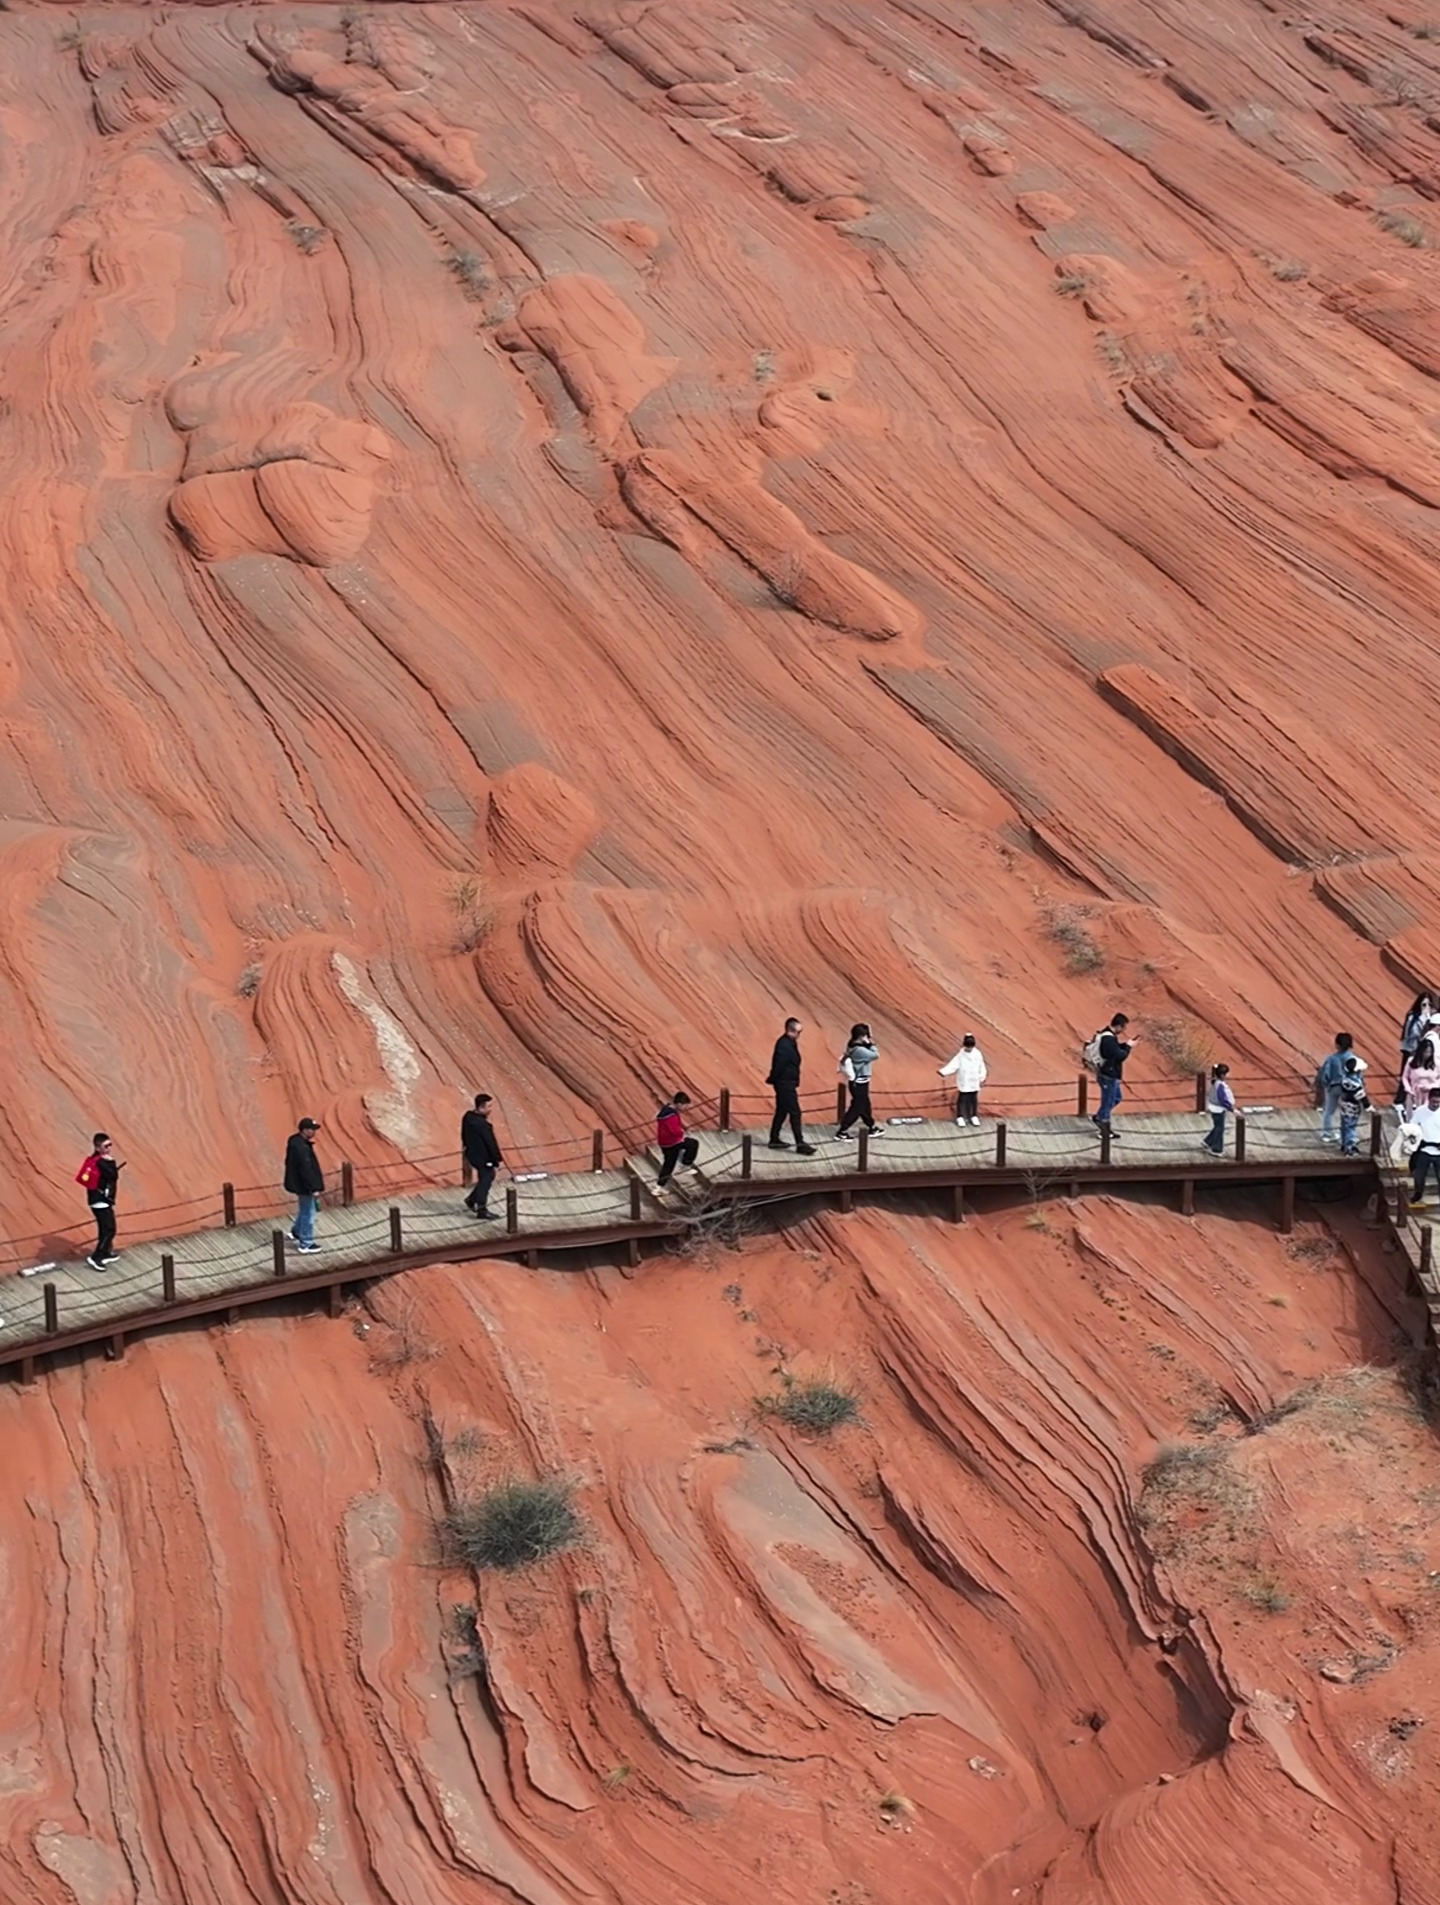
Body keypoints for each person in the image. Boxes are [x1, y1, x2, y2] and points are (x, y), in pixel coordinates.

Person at [767, 1018, 815, 1155]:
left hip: (787, 1082)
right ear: (790, 1030)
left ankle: (774, 1138)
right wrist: (773, 1079)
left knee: (782, 1111)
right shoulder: (784, 1045)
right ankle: (800, 1143)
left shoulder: (789, 1043)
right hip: (784, 1084)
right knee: (795, 1112)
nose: (800, 1035)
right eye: (798, 1031)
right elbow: (779, 1065)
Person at [75, 1133, 123, 1270]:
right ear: (98, 1147)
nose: (109, 1148)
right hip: (100, 1200)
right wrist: (111, 1161)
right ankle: (96, 1257)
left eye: (110, 1145)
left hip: (98, 1199)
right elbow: (113, 1175)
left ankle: (106, 1253)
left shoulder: (94, 1159)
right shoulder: (102, 1162)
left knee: (105, 1229)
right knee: (110, 1230)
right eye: (105, 1146)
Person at [284, 1118, 324, 1253]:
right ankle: (306, 1243)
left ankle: (296, 1232)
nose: (314, 1132)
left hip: (298, 1184)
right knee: (309, 1213)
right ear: (304, 1130)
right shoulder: (302, 1148)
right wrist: (313, 1188)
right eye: (312, 1129)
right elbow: (306, 1169)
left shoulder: (295, 1142)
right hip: (304, 1186)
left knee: (304, 1209)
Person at [461, 1093, 503, 1218]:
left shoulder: (468, 1117)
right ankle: (481, 1208)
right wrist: (497, 1160)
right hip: (484, 1158)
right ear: (481, 1107)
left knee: (486, 1177)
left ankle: (473, 1199)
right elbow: (490, 1143)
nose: (491, 1109)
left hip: (472, 1154)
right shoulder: (483, 1125)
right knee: (487, 1178)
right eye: (489, 1106)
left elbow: (463, 1136)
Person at [1093, 1014, 1136, 1136]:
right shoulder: (1108, 1039)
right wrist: (1128, 1047)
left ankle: (1099, 1117)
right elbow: (1119, 1056)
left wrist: (1125, 1045)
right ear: (1118, 1026)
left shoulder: (1109, 1037)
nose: (1124, 1031)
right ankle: (1104, 1130)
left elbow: (1114, 1050)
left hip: (1111, 1074)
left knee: (1116, 1098)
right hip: (1108, 1075)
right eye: (1124, 1028)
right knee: (1108, 1101)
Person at [836, 1024, 882, 1138]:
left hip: (859, 1082)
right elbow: (875, 1055)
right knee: (857, 1107)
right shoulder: (859, 1050)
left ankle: (871, 1126)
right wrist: (871, 1044)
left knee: (865, 1105)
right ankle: (842, 1131)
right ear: (862, 1036)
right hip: (859, 1082)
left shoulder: (852, 1044)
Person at [1317, 1034, 1365, 1140]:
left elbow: (1326, 1074)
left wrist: (1326, 1085)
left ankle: (1327, 1134)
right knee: (1348, 1112)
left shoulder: (1331, 1058)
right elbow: (1359, 1075)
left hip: (1333, 1087)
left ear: (1337, 1044)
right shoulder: (1353, 1058)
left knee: (1329, 1111)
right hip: (1348, 1088)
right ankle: (1348, 1136)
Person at [939, 1034, 987, 1125]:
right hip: (964, 1080)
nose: (969, 1049)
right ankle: (960, 1116)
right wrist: (944, 1072)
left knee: (973, 1099)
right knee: (962, 1098)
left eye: (971, 1047)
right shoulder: (960, 1055)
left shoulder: (977, 1054)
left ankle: (974, 1116)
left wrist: (982, 1077)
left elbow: (982, 1066)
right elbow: (953, 1065)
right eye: (968, 1047)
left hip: (974, 1080)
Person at [655, 1091, 701, 1185]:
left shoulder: (666, 1110)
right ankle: (685, 1165)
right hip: (672, 1142)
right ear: (679, 1104)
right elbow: (674, 1131)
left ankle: (659, 1187)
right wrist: (682, 1134)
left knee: (668, 1164)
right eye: (685, 1106)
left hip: (664, 1142)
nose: (685, 1108)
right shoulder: (671, 1116)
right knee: (693, 1144)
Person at [1398, 992, 1434, 1105]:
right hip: (1411, 1049)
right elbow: (1411, 1033)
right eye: (1424, 1004)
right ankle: (1400, 1099)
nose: (1426, 1007)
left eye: (1428, 1004)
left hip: (1423, 1050)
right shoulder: (1413, 1016)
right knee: (1407, 1073)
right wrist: (1423, 1020)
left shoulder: (1431, 1017)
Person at [1409, 1085, 1440, 1207]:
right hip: (1424, 1150)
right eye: (1433, 1102)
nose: (1436, 1104)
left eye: (1438, 1102)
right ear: (1429, 1099)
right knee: (1419, 1176)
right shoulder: (1420, 1112)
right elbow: (1412, 1127)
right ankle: (1418, 1193)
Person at [1337, 1056, 1369, 1157]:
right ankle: (1350, 1147)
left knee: (1344, 1125)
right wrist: (1368, 1106)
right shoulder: (1355, 1083)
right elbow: (1361, 1096)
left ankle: (1344, 1143)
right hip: (1352, 1108)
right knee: (1350, 1127)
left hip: (1344, 1106)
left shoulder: (1344, 1079)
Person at [1402, 1035, 1440, 1116]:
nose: (1427, 1054)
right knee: (1413, 1116)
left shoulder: (1436, 1063)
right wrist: (1408, 1089)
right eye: (1426, 1052)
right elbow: (1405, 1077)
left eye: (1430, 1052)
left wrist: (1433, 1086)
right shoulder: (1411, 1061)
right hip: (1414, 1094)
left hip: (1430, 1094)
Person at [1203, 1064, 1236, 1156]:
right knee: (1219, 1128)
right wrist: (1232, 1109)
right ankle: (1217, 1149)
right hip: (1218, 1109)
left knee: (1218, 1126)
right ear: (1222, 1075)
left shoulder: (1216, 1082)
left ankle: (1208, 1141)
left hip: (1216, 1108)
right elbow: (1222, 1099)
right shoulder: (1220, 1085)